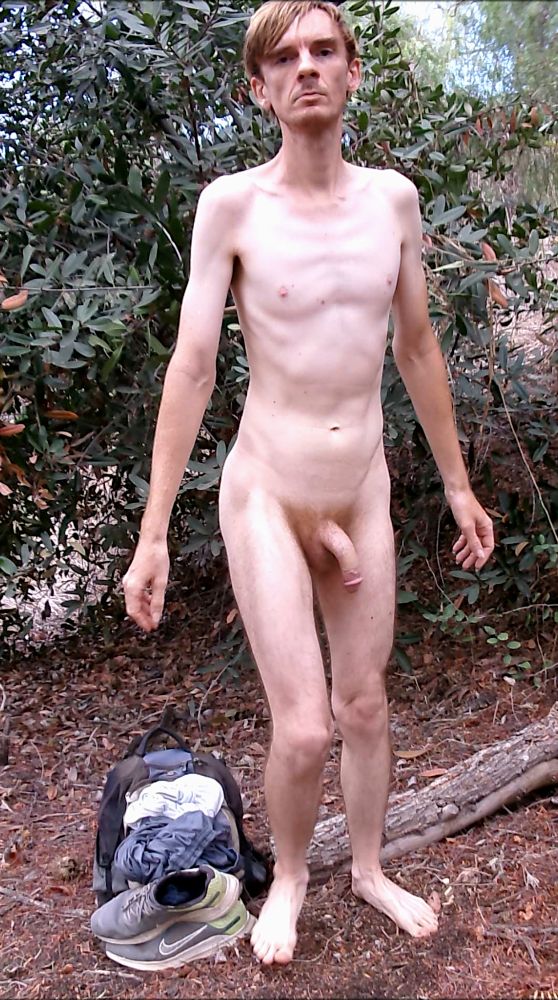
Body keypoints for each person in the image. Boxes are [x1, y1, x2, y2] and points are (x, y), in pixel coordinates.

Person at [123, 0, 495, 967]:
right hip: (268, 493)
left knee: (365, 705)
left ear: (353, 70)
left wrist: (457, 485)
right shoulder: (233, 207)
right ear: (260, 89)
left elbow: (417, 345)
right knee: (302, 729)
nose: (307, 69)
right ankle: (289, 876)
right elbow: (192, 366)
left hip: (360, 488)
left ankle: (367, 868)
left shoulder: (394, 203)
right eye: (284, 59)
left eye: (325, 50)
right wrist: (154, 534)